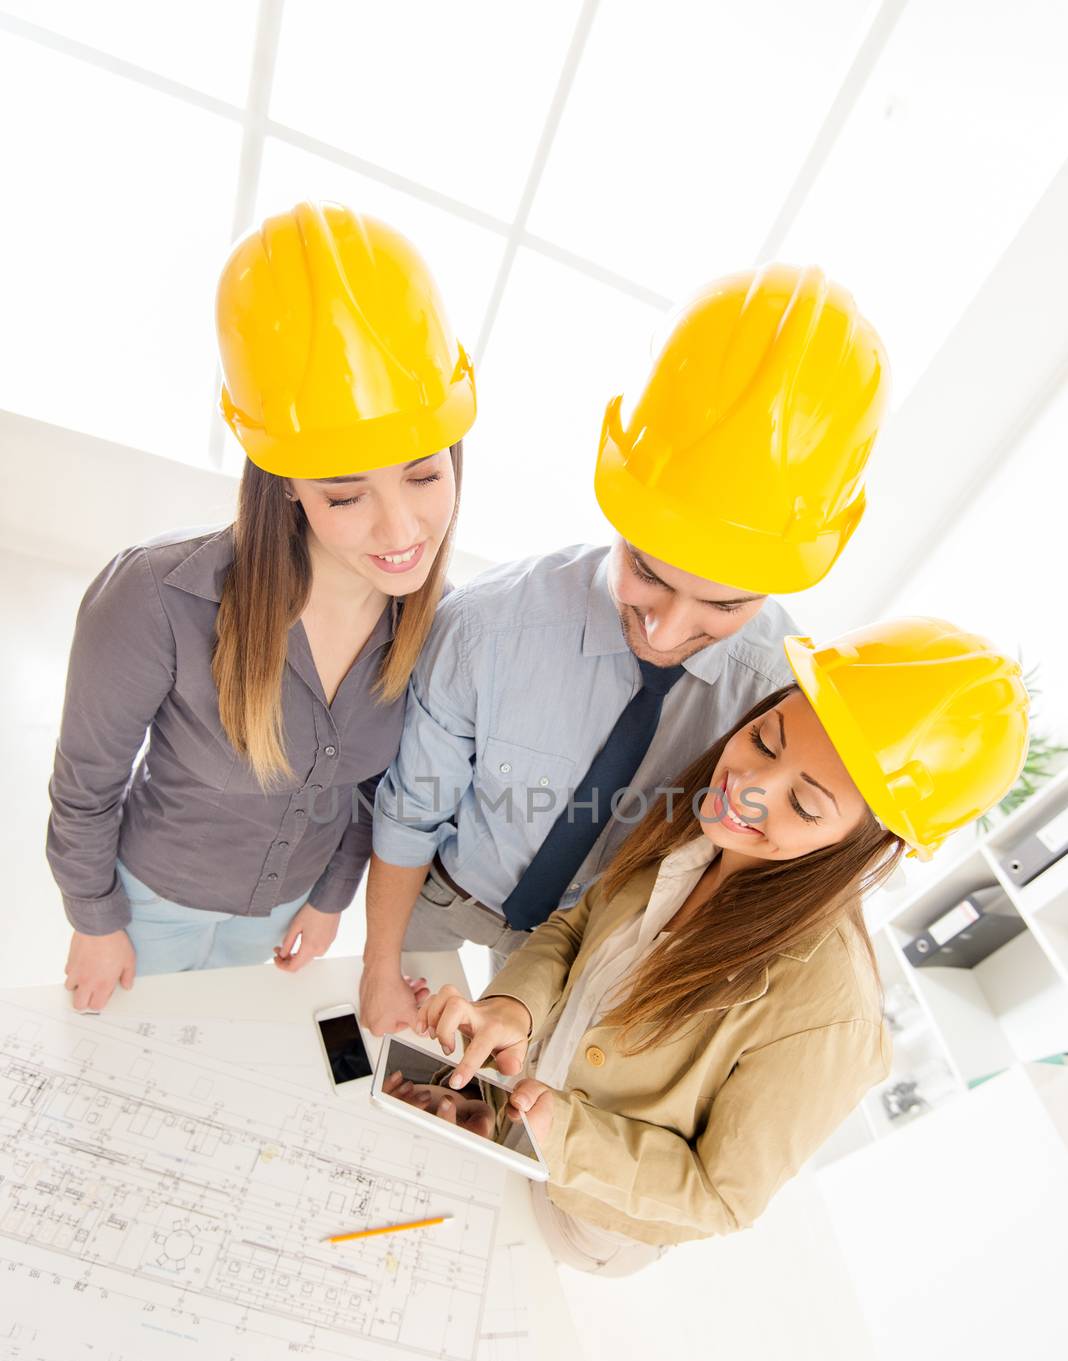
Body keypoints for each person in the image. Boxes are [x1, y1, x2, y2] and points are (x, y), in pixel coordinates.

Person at [402, 618, 1029, 1275]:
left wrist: (564, 1134)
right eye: (763, 740)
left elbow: (721, 1194)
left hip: (584, 1218)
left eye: (806, 806)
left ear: (863, 843)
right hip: (500, 1115)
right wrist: (513, 1010)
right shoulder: (695, 829)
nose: (751, 789)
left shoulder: (830, 1008)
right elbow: (577, 929)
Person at [359, 264, 890, 1035]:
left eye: (724, 605)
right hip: (444, 894)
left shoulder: (789, 707)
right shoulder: (488, 624)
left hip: (578, 948)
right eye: (646, 572)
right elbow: (411, 813)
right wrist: (379, 968)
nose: (667, 632)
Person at [47, 202, 475, 1011]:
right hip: (150, 906)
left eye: (425, 476)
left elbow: (371, 793)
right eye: (346, 496)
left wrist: (327, 899)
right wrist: (95, 919)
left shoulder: (437, 626)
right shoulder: (153, 597)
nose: (400, 531)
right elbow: (86, 784)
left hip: (281, 912)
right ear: (285, 485)